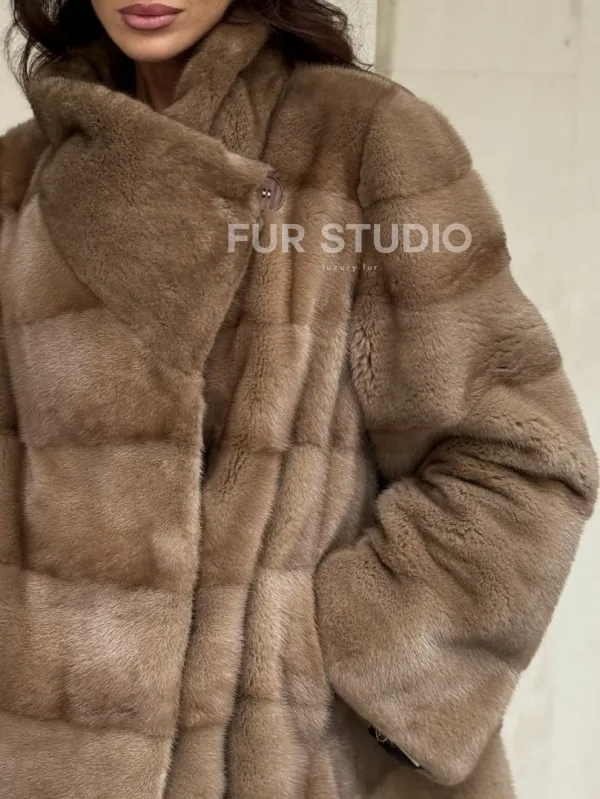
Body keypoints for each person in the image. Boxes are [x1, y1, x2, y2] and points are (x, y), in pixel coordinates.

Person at [0, 1, 596, 797]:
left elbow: (519, 453)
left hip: (296, 765)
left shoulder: (362, 140)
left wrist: (332, 651)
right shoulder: (21, 177)